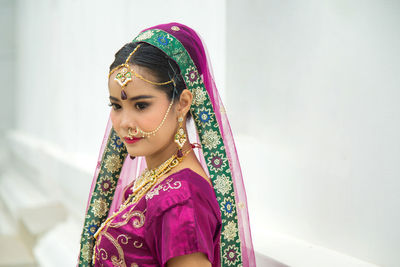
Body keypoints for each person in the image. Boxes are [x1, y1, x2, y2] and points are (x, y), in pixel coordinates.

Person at [78, 22, 256, 267]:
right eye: (117, 106)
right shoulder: (154, 181)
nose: (125, 122)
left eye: (141, 105)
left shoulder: (181, 201)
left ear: (182, 103)